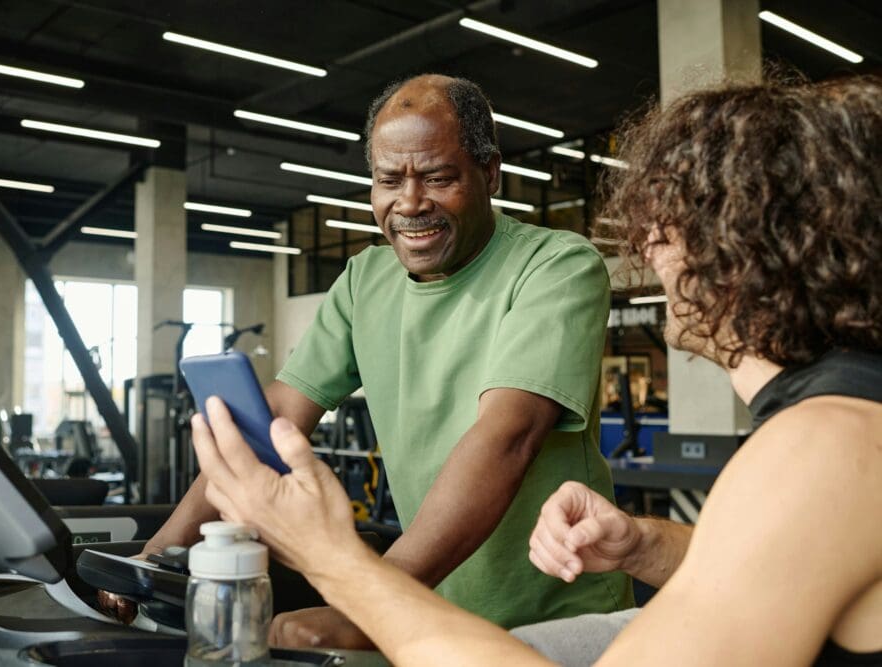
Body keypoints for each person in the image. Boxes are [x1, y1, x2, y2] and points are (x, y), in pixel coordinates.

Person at [188, 74, 882, 665]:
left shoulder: (820, 450)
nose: (646, 245)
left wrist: (341, 567)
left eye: (671, 226)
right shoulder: (838, 426)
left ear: (745, 251)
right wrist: (645, 541)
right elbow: (761, 567)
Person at [102, 74, 632, 643]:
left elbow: (507, 437)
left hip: (558, 618)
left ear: (490, 173)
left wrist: (371, 603)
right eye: (388, 180)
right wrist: (161, 552)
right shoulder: (365, 279)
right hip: (431, 613)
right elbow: (272, 418)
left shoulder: (556, 266)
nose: (410, 204)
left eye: (438, 177)